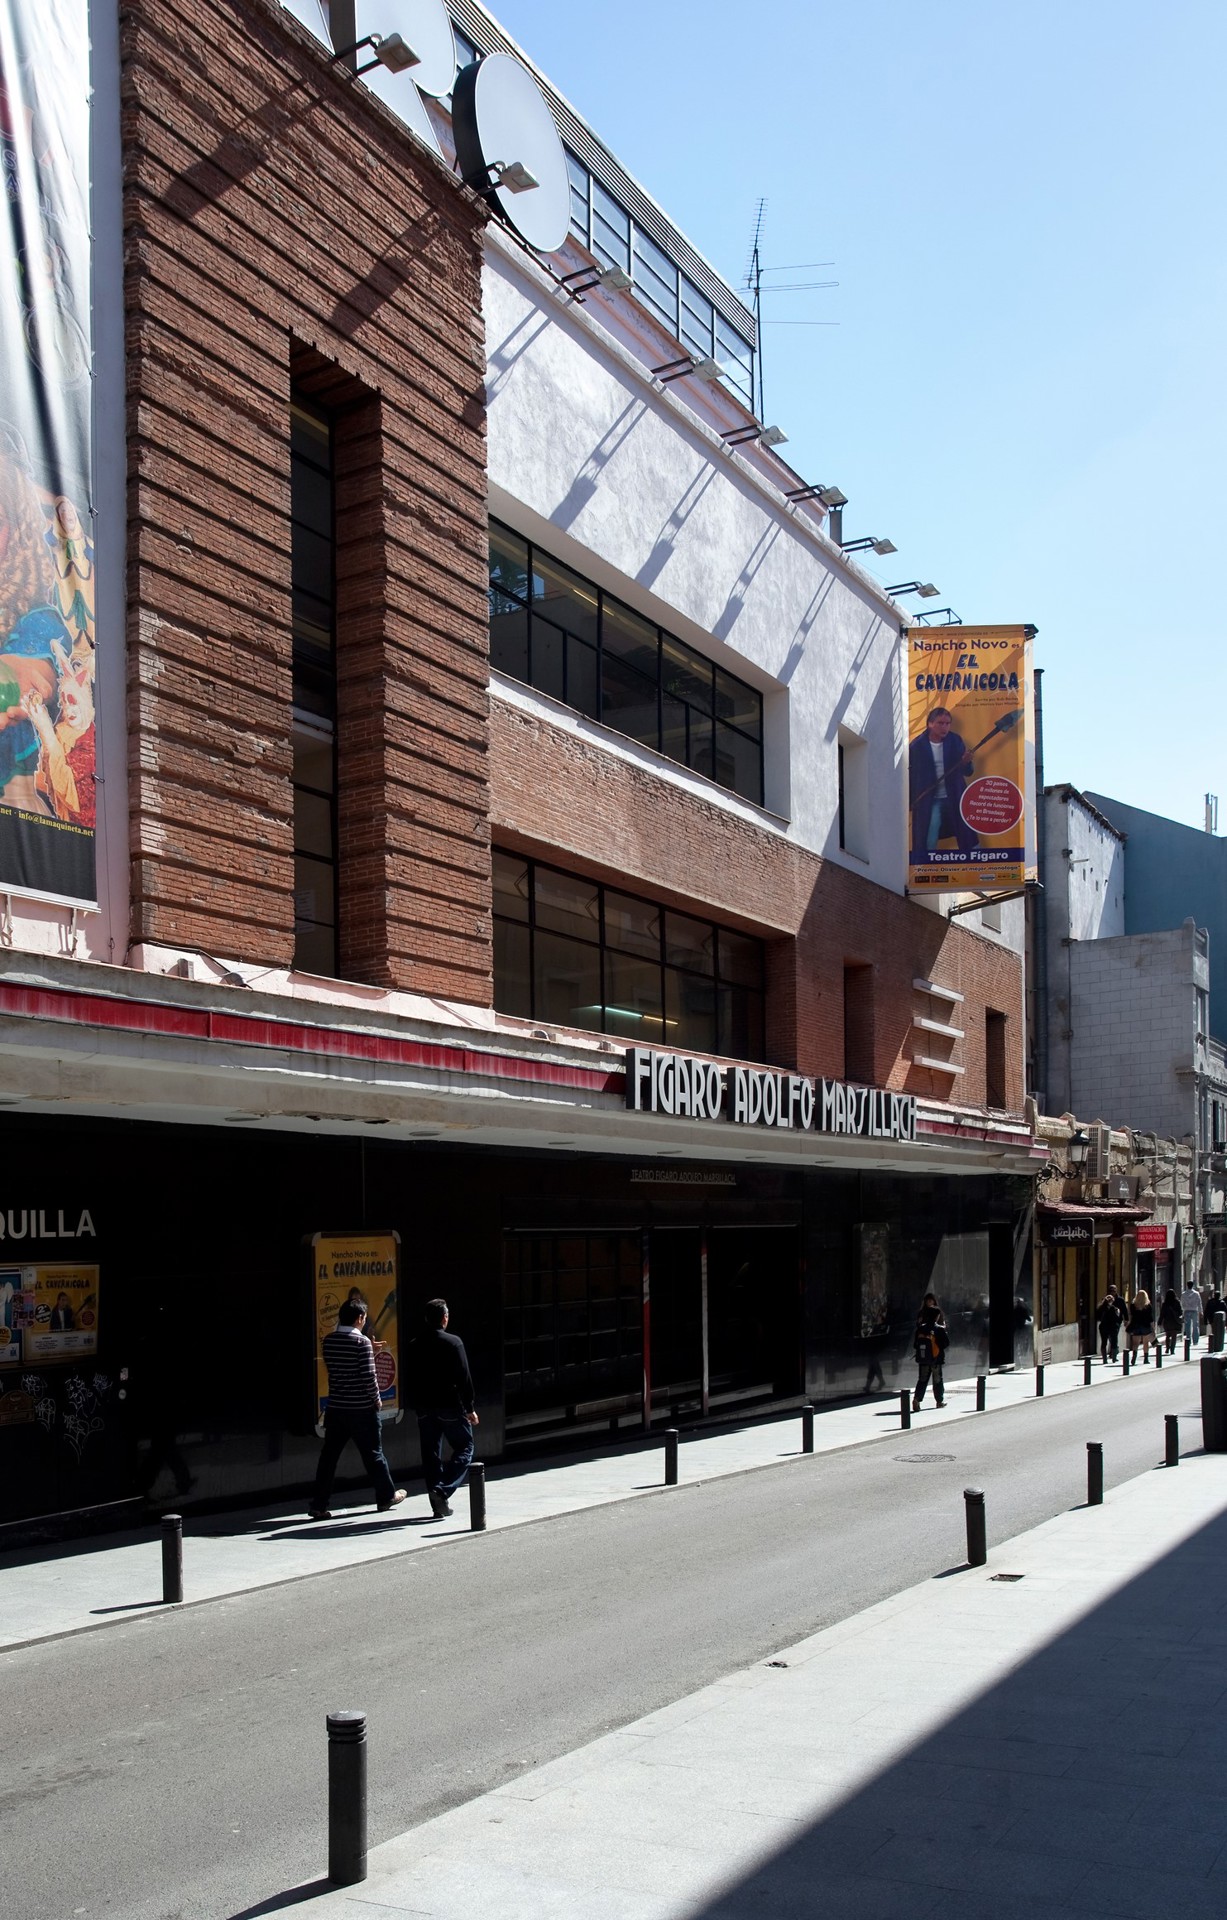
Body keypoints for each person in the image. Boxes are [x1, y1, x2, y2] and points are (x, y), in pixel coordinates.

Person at [309, 1299, 406, 1520]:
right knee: (374, 1454)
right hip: (362, 1409)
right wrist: (377, 1400)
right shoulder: (361, 1343)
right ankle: (386, 1495)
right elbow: (368, 1377)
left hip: (336, 1408)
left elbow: (339, 1368)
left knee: (329, 1457)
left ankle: (318, 1504)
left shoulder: (329, 1341)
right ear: (359, 1318)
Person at [406, 1297, 478, 1518]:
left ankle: (437, 1504)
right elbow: (464, 1377)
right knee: (465, 1447)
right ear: (445, 1318)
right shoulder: (453, 1342)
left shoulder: (415, 1344)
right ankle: (443, 1490)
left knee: (430, 1455)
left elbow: (410, 1377)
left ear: (427, 1319)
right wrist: (470, 1407)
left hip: (425, 1407)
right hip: (449, 1405)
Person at [908, 707, 979, 857]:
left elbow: (968, 771)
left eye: (947, 723)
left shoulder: (955, 740)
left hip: (955, 795)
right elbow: (910, 776)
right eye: (940, 723)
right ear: (930, 724)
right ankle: (925, 867)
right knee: (929, 835)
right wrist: (911, 801)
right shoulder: (917, 746)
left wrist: (966, 762)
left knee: (966, 833)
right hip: (930, 799)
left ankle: (976, 862)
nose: (944, 727)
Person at [912, 1292, 949, 1410]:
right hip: (936, 1359)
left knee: (922, 1380)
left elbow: (915, 1345)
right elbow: (946, 1343)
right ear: (937, 1316)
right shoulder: (939, 1329)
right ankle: (939, 1401)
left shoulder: (921, 1328)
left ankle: (917, 1399)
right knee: (937, 1380)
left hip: (923, 1359)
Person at [1095, 1288, 1123, 1364]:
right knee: (1114, 1342)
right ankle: (1114, 1358)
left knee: (1104, 1342)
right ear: (1111, 1301)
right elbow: (1116, 1318)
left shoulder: (1100, 1308)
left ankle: (1104, 1359)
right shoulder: (1113, 1309)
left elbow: (1097, 1317)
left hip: (1103, 1327)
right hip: (1112, 1327)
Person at [1128, 1288, 1155, 1364]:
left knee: (1135, 1343)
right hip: (1145, 1326)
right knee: (1145, 1343)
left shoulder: (1133, 1305)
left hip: (1136, 1325)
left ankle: (1134, 1358)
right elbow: (1150, 1318)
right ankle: (1146, 1359)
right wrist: (1153, 1327)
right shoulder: (1148, 1306)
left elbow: (1131, 1315)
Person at [1158, 1287, 1183, 1356]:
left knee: (1167, 1335)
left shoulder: (1165, 1304)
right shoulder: (1177, 1302)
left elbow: (1162, 1314)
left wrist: (1159, 1322)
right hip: (1174, 1321)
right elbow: (1180, 1312)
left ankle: (1167, 1348)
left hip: (1167, 1322)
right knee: (1174, 1336)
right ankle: (1172, 1349)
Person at [1181, 1279, 1204, 1348]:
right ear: (1192, 1285)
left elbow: (1182, 1303)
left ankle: (1188, 1339)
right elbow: (1199, 1303)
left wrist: (1182, 1312)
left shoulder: (1183, 1294)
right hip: (1194, 1311)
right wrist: (1201, 1311)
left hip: (1187, 1310)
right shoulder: (1196, 1294)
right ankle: (1195, 1340)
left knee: (1187, 1326)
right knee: (1195, 1326)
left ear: (1187, 1286)